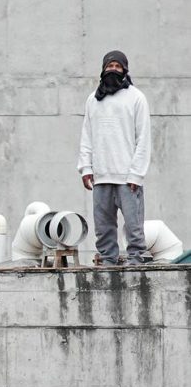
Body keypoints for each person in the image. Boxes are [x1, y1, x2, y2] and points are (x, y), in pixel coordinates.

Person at [77, 50, 151, 266]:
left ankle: (136, 260)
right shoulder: (93, 99)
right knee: (103, 227)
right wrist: (86, 168)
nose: (113, 70)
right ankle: (108, 261)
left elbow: (144, 139)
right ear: (103, 69)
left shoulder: (136, 98)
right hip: (101, 176)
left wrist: (136, 174)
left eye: (118, 67)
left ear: (125, 70)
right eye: (110, 66)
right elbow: (86, 135)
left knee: (134, 226)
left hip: (128, 176)